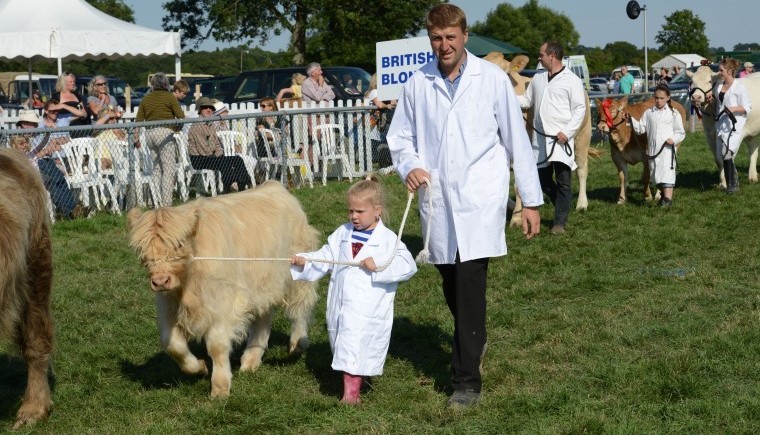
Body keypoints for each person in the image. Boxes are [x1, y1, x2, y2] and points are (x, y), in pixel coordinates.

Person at [387, 3, 542, 408]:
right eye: (436, 38)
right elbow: (399, 137)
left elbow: (516, 140)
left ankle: (466, 381)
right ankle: (474, 336)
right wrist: (411, 165)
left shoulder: (490, 79)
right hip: (437, 197)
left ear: (465, 36)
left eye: (451, 37)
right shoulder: (417, 84)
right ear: (430, 39)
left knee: (471, 281)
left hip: (480, 196)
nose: (444, 46)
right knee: (450, 281)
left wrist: (531, 201)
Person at [290, 175, 417, 405]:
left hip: (367, 308)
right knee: (346, 345)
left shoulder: (388, 240)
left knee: (355, 346)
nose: (354, 217)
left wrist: (378, 267)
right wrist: (305, 261)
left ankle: (351, 396)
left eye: (360, 212)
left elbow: (408, 265)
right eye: (351, 211)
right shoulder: (342, 233)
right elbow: (327, 257)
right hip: (341, 304)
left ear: (377, 210)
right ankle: (359, 378)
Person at [518, 41, 586, 234]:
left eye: (541, 55)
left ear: (552, 56)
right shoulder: (537, 79)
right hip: (540, 139)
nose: (539, 58)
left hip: (561, 139)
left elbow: (579, 109)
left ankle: (559, 223)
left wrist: (568, 131)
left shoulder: (571, 80)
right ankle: (562, 206)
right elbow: (527, 101)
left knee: (564, 181)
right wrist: (507, 97)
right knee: (542, 180)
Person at [11, 110, 80, 219]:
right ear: (24, 124)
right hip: (32, 170)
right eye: (32, 124)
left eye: (35, 124)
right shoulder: (16, 138)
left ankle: (74, 208)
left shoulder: (36, 133)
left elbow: (41, 150)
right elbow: (35, 153)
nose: (35, 126)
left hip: (45, 163)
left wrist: (48, 134)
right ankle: (68, 212)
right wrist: (45, 150)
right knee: (53, 182)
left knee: (60, 179)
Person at [627, 84, 685, 207]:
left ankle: (668, 200)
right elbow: (640, 128)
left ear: (668, 98)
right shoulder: (649, 113)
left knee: (667, 174)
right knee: (656, 176)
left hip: (667, 150)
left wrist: (673, 139)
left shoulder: (674, 114)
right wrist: (631, 120)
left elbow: (680, 132)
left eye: (661, 98)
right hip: (653, 150)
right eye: (656, 98)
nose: (658, 101)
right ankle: (664, 197)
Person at [135, 72, 185, 207]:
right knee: (168, 168)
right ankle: (166, 202)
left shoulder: (146, 98)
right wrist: (176, 129)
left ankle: (154, 199)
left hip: (150, 134)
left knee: (156, 168)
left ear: (153, 84)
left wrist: (136, 137)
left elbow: (139, 119)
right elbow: (181, 116)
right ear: (165, 84)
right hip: (165, 133)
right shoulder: (170, 97)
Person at [187, 96, 252, 192]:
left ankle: (243, 183)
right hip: (199, 159)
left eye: (210, 108)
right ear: (200, 110)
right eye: (205, 108)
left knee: (237, 159)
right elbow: (204, 150)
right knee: (223, 161)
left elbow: (217, 145)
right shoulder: (197, 125)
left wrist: (218, 154)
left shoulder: (209, 124)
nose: (208, 109)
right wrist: (217, 153)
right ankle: (227, 187)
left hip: (211, 156)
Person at [706, 58, 752, 194]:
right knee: (722, 155)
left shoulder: (739, 87)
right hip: (720, 124)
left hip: (734, 125)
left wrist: (734, 109)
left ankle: (732, 185)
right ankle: (732, 181)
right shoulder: (719, 86)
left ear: (730, 71)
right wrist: (712, 100)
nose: (719, 73)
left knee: (727, 153)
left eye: (722, 70)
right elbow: (719, 103)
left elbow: (747, 107)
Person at [365, 73, 396, 165]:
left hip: (374, 123)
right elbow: (379, 104)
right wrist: (387, 105)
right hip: (374, 122)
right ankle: (385, 162)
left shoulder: (378, 91)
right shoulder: (375, 91)